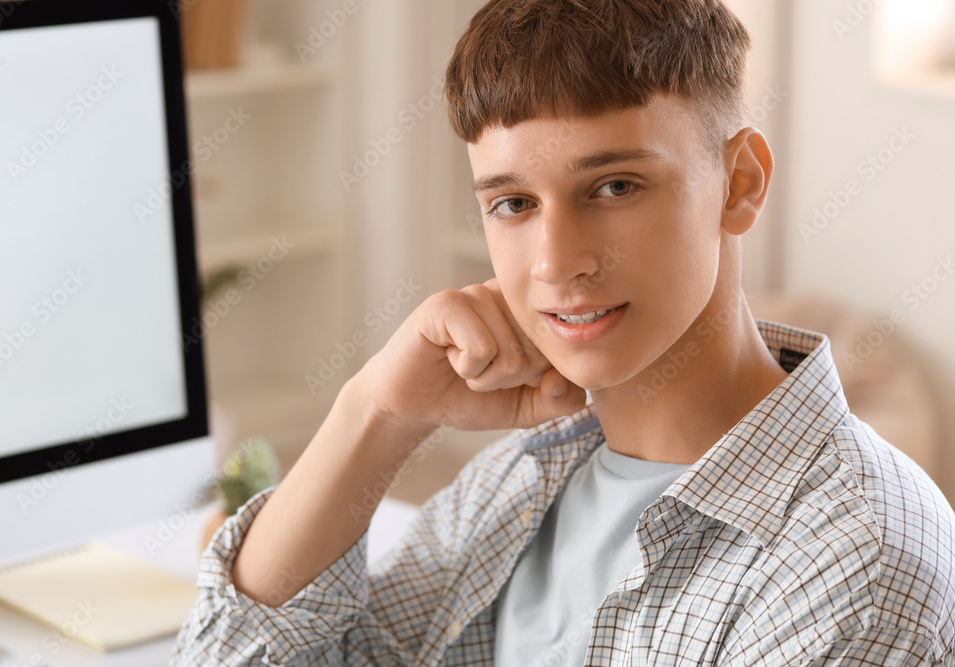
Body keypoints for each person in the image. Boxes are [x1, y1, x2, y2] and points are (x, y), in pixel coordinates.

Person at [170, 0, 955, 664]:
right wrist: (376, 413)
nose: (555, 262)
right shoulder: (525, 476)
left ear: (740, 183)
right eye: (513, 203)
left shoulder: (858, 562)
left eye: (614, 186)